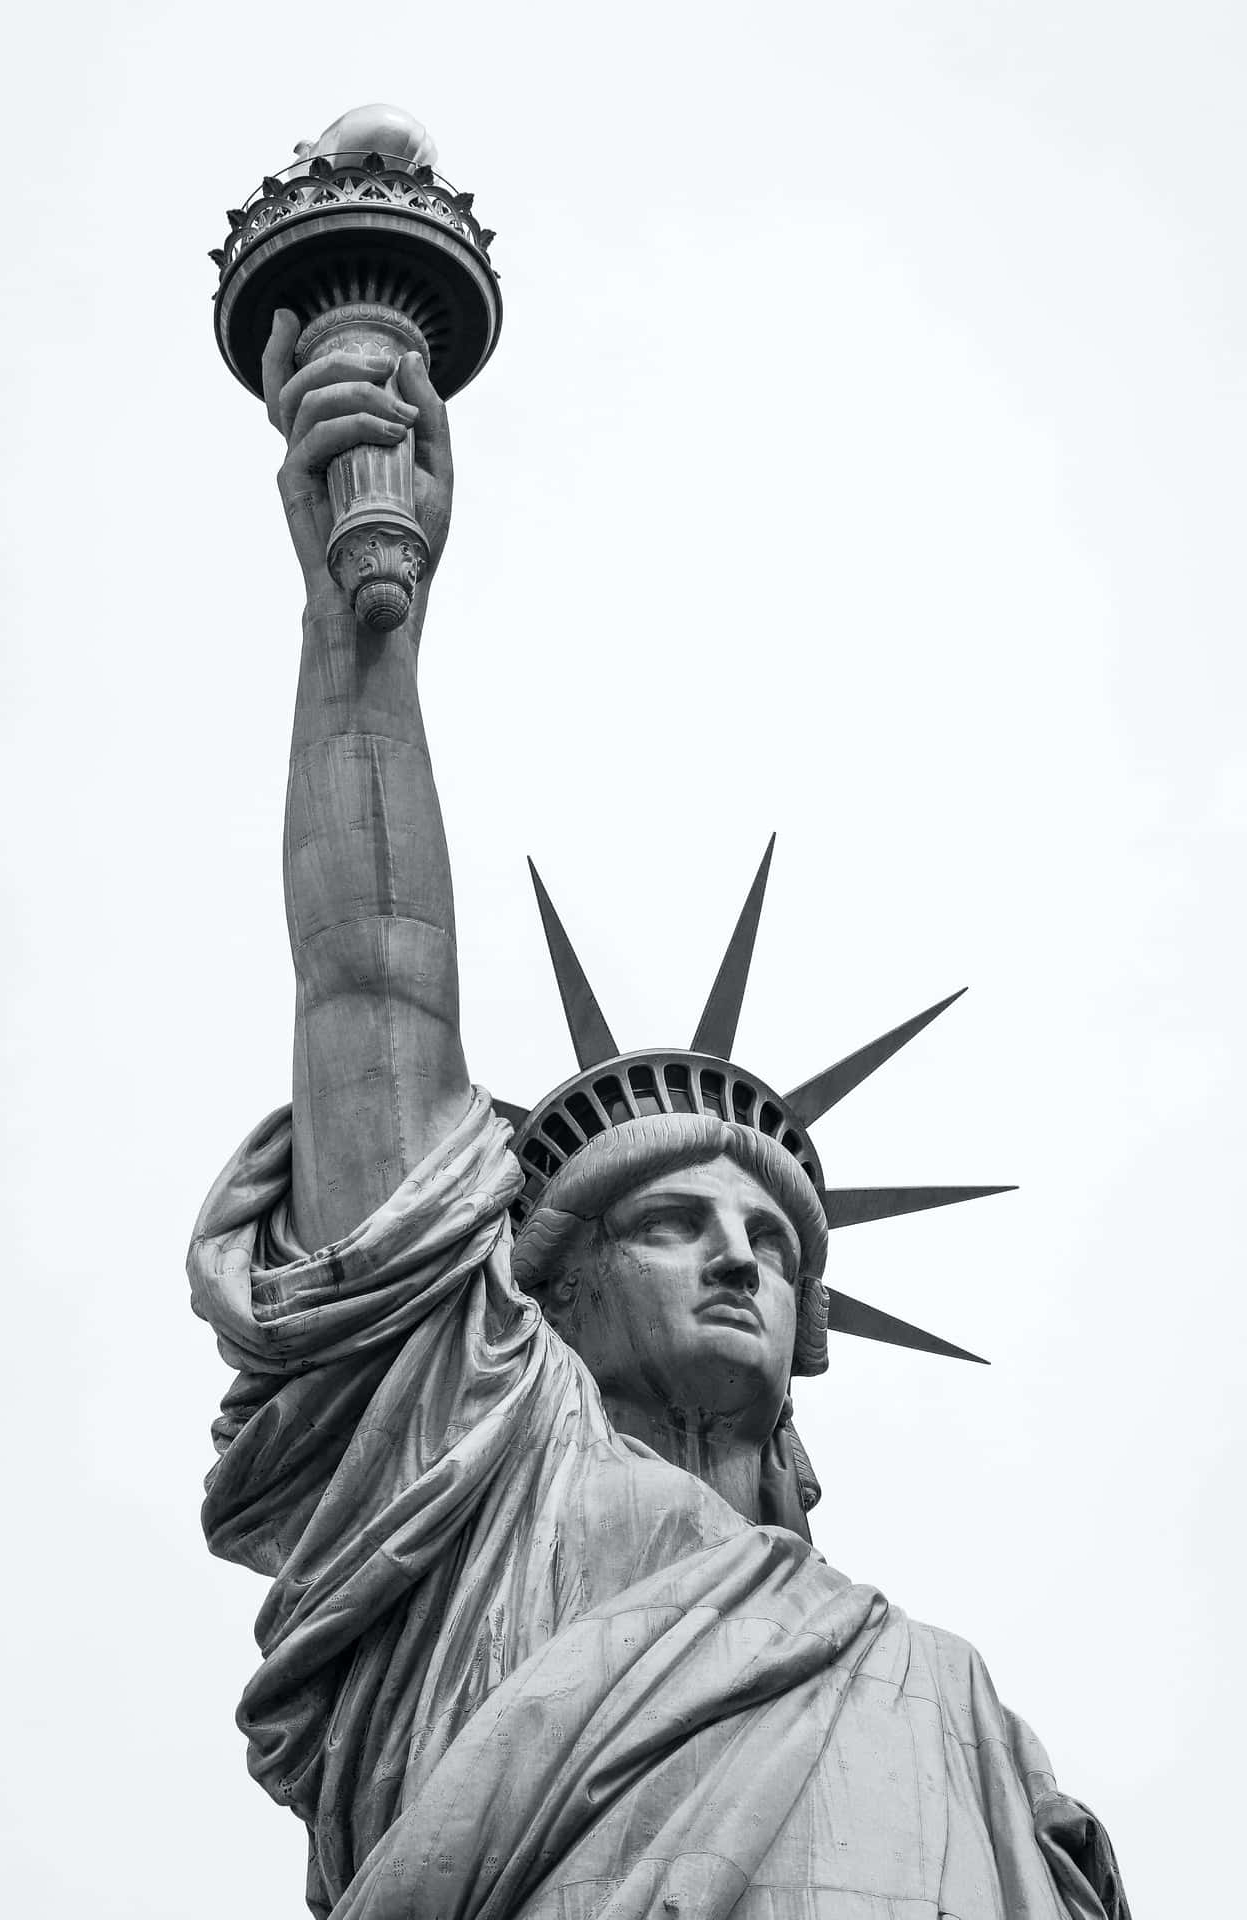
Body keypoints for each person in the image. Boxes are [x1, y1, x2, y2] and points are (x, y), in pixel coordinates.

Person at [189, 315, 1130, 1920]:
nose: (738, 1260)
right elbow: (374, 990)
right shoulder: (483, 1482)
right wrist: (359, 631)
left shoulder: (952, 1702)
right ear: (546, 1284)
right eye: (677, 1223)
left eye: (770, 1240)